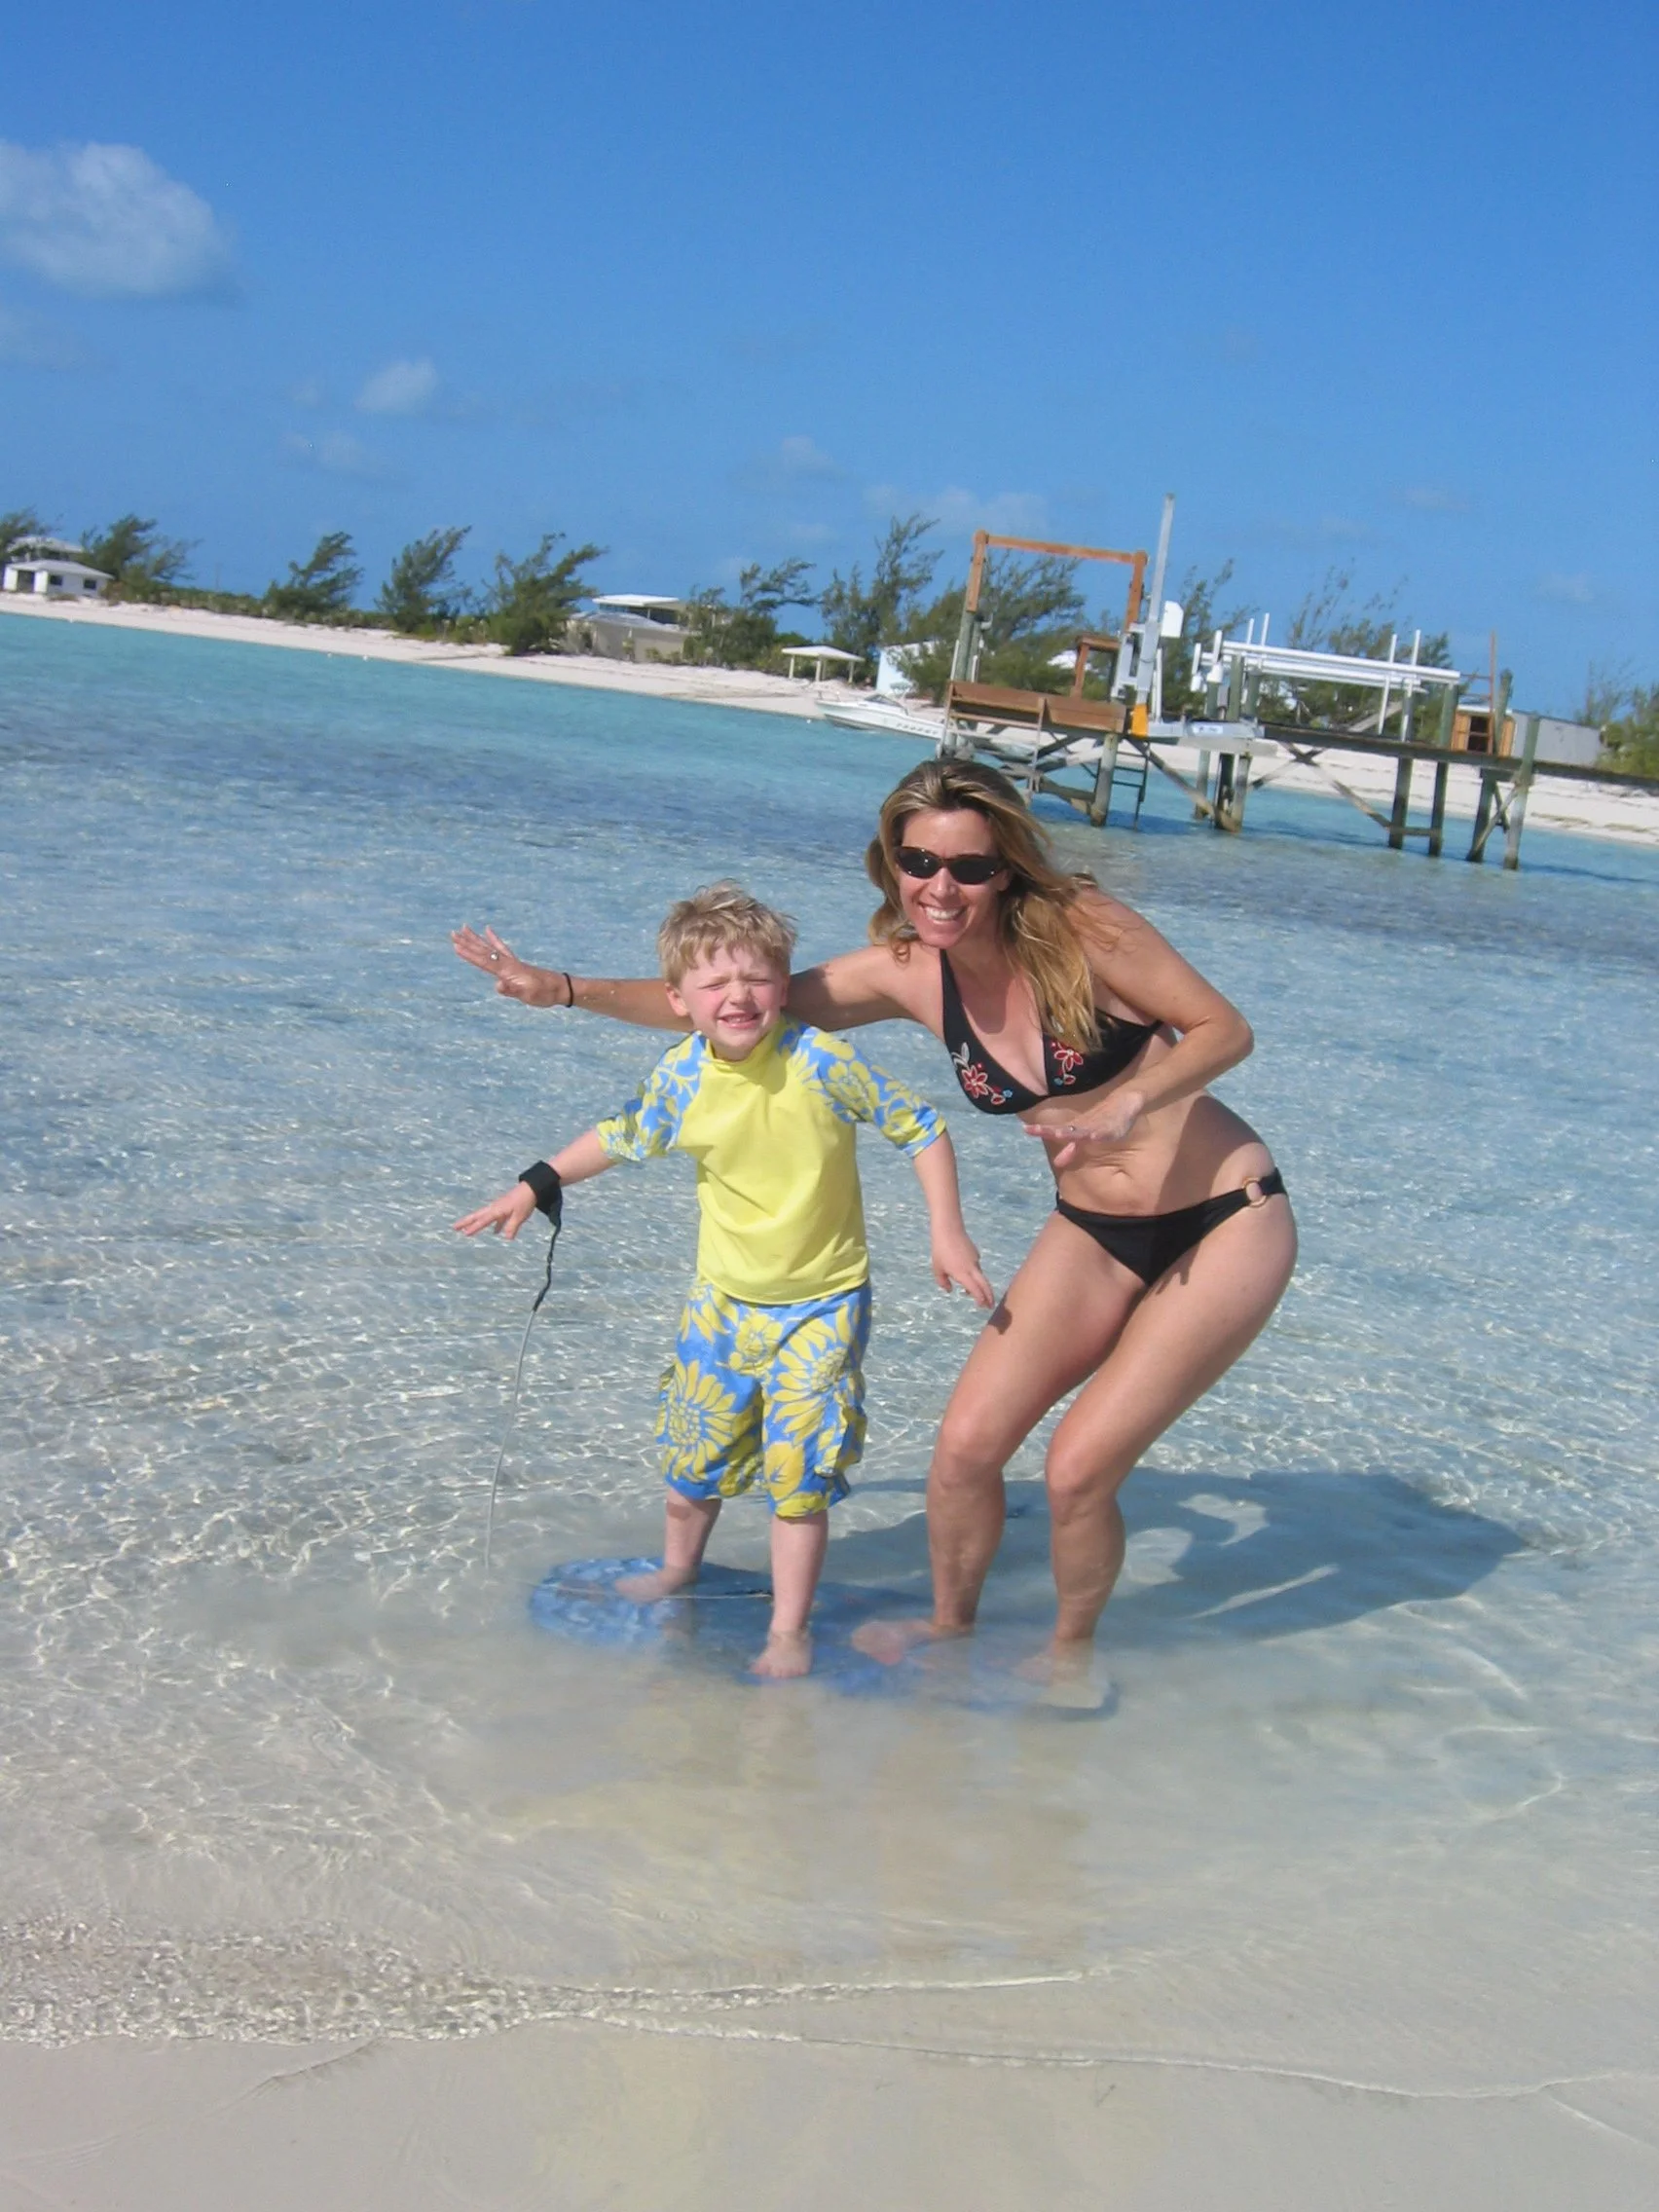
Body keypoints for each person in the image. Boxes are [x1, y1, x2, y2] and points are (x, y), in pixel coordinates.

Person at [454, 758, 1296, 1691]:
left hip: (1225, 1218)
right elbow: (734, 1007)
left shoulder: (1083, 927)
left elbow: (1224, 1030)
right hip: (1094, 1229)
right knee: (966, 1450)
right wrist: (563, 989)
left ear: (1005, 867)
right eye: (918, 862)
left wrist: (1131, 1101)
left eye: (968, 866)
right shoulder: (911, 975)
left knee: (1076, 1472)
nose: (942, 886)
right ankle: (949, 1626)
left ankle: (1067, 1655)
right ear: (892, 864)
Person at [454, 881, 992, 1679]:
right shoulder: (682, 1078)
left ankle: (788, 1630)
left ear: (783, 984)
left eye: (757, 979)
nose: (738, 996)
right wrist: (536, 1183)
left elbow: (921, 1127)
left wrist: (947, 1233)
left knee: (798, 1482)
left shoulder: (819, 1060)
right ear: (679, 1001)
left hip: (823, 1307)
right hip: (721, 1305)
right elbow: (620, 1135)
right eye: (715, 984)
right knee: (690, 1466)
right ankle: (679, 1570)